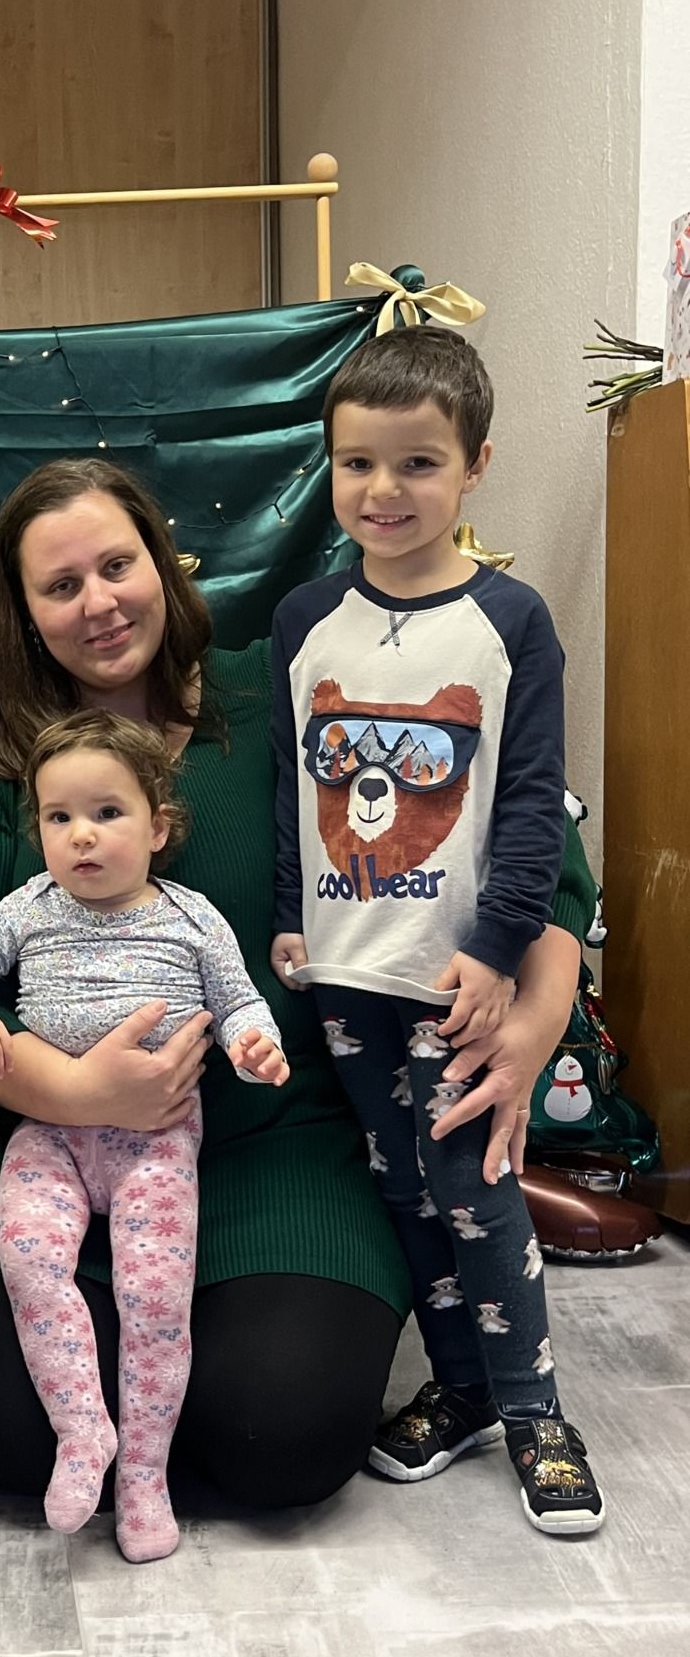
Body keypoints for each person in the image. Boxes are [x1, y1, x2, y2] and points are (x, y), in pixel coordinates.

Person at [0, 454, 595, 1514]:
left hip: (276, 1142)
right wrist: (64, 1089)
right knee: (14, 1433)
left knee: (279, 1432)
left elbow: (532, 842)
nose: (99, 603)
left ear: (164, 564)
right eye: (60, 586)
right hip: (44, 1143)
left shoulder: (295, 685)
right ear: (22, 615)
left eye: (116, 565)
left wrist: (539, 1014)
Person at [270, 328, 603, 1534]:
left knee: (477, 1183)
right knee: (407, 1189)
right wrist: (287, 915)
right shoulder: (306, 617)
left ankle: (534, 1410)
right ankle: (461, 1388)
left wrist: (503, 947)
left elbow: (532, 802)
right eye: (358, 462)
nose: (385, 489)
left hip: (457, 977)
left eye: (418, 462)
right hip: (343, 972)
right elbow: (291, 784)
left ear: (475, 466)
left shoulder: (511, 619)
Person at [0, 709, 288, 1560]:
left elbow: (239, 999)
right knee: (27, 1260)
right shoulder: (30, 907)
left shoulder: (193, 917)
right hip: (49, 1133)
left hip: (156, 1141)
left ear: (159, 828)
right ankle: (83, 1428)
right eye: (59, 817)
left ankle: (144, 1480)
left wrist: (254, 1045)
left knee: (153, 1297)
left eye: (107, 813)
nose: (81, 835)